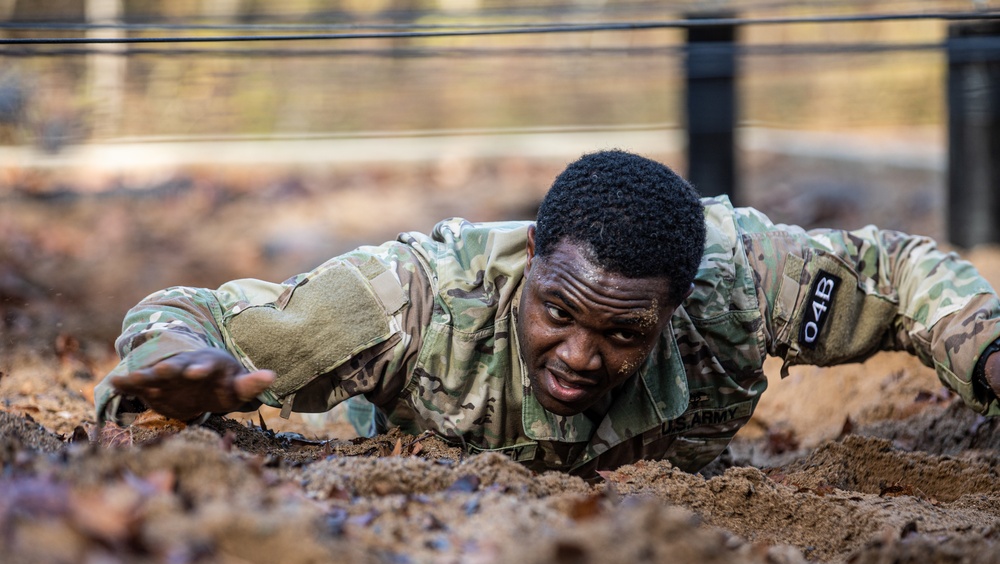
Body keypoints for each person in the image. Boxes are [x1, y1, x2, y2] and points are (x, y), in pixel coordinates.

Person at [95, 150, 1000, 479]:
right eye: (557, 310)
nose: (577, 354)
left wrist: (989, 353)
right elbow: (189, 311)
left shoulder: (740, 280)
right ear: (531, 257)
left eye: (623, 334)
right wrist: (181, 362)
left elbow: (897, 271)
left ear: (676, 308)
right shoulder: (415, 297)